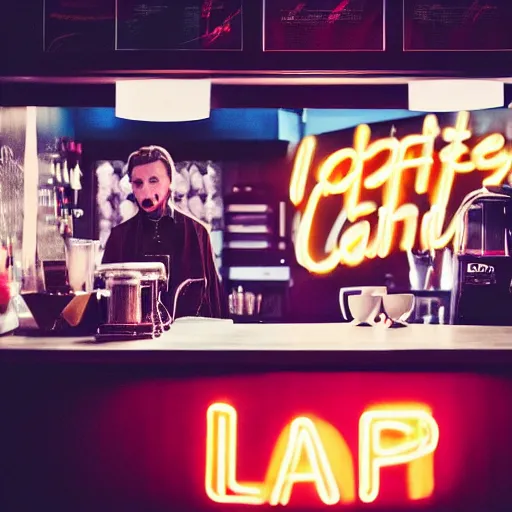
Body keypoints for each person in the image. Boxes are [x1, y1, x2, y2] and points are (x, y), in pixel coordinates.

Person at [102, 145, 227, 319]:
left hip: (185, 342)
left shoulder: (197, 233)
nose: (146, 190)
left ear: (170, 182)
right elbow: (103, 301)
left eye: (154, 181)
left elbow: (214, 302)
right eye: (138, 183)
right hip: (132, 343)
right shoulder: (119, 237)